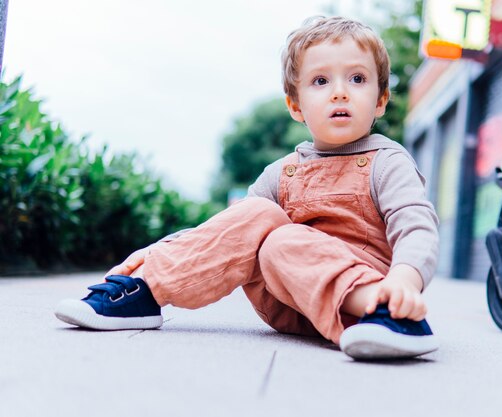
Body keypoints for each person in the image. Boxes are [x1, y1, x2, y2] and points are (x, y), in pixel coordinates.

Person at [55, 16, 440, 361]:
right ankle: (143, 292)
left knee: (281, 241)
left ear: (381, 100)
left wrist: (404, 280)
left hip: (368, 300)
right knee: (255, 214)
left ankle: (393, 318)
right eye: (321, 81)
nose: (340, 92)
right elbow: (224, 233)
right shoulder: (282, 172)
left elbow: (416, 225)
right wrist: (151, 258)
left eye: (357, 79)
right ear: (295, 105)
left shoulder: (387, 162)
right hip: (289, 302)